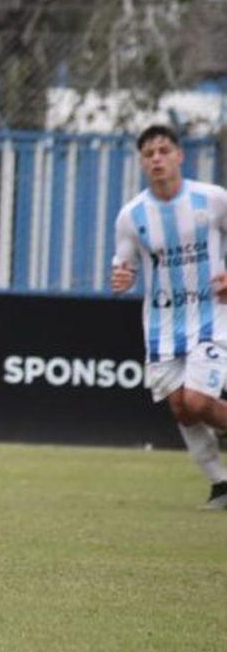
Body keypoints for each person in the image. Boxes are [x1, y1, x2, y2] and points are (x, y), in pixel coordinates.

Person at [110, 124, 227, 510]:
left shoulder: (211, 200)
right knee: (180, 407)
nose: (157, 158)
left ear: (180, 156)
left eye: (164, 150)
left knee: (196, 402)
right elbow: (122, 265)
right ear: (142, 163)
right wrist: (122, 277)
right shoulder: (132, 215)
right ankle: (221, 484)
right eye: (149, 153)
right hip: (161, 326)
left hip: (211, 316)